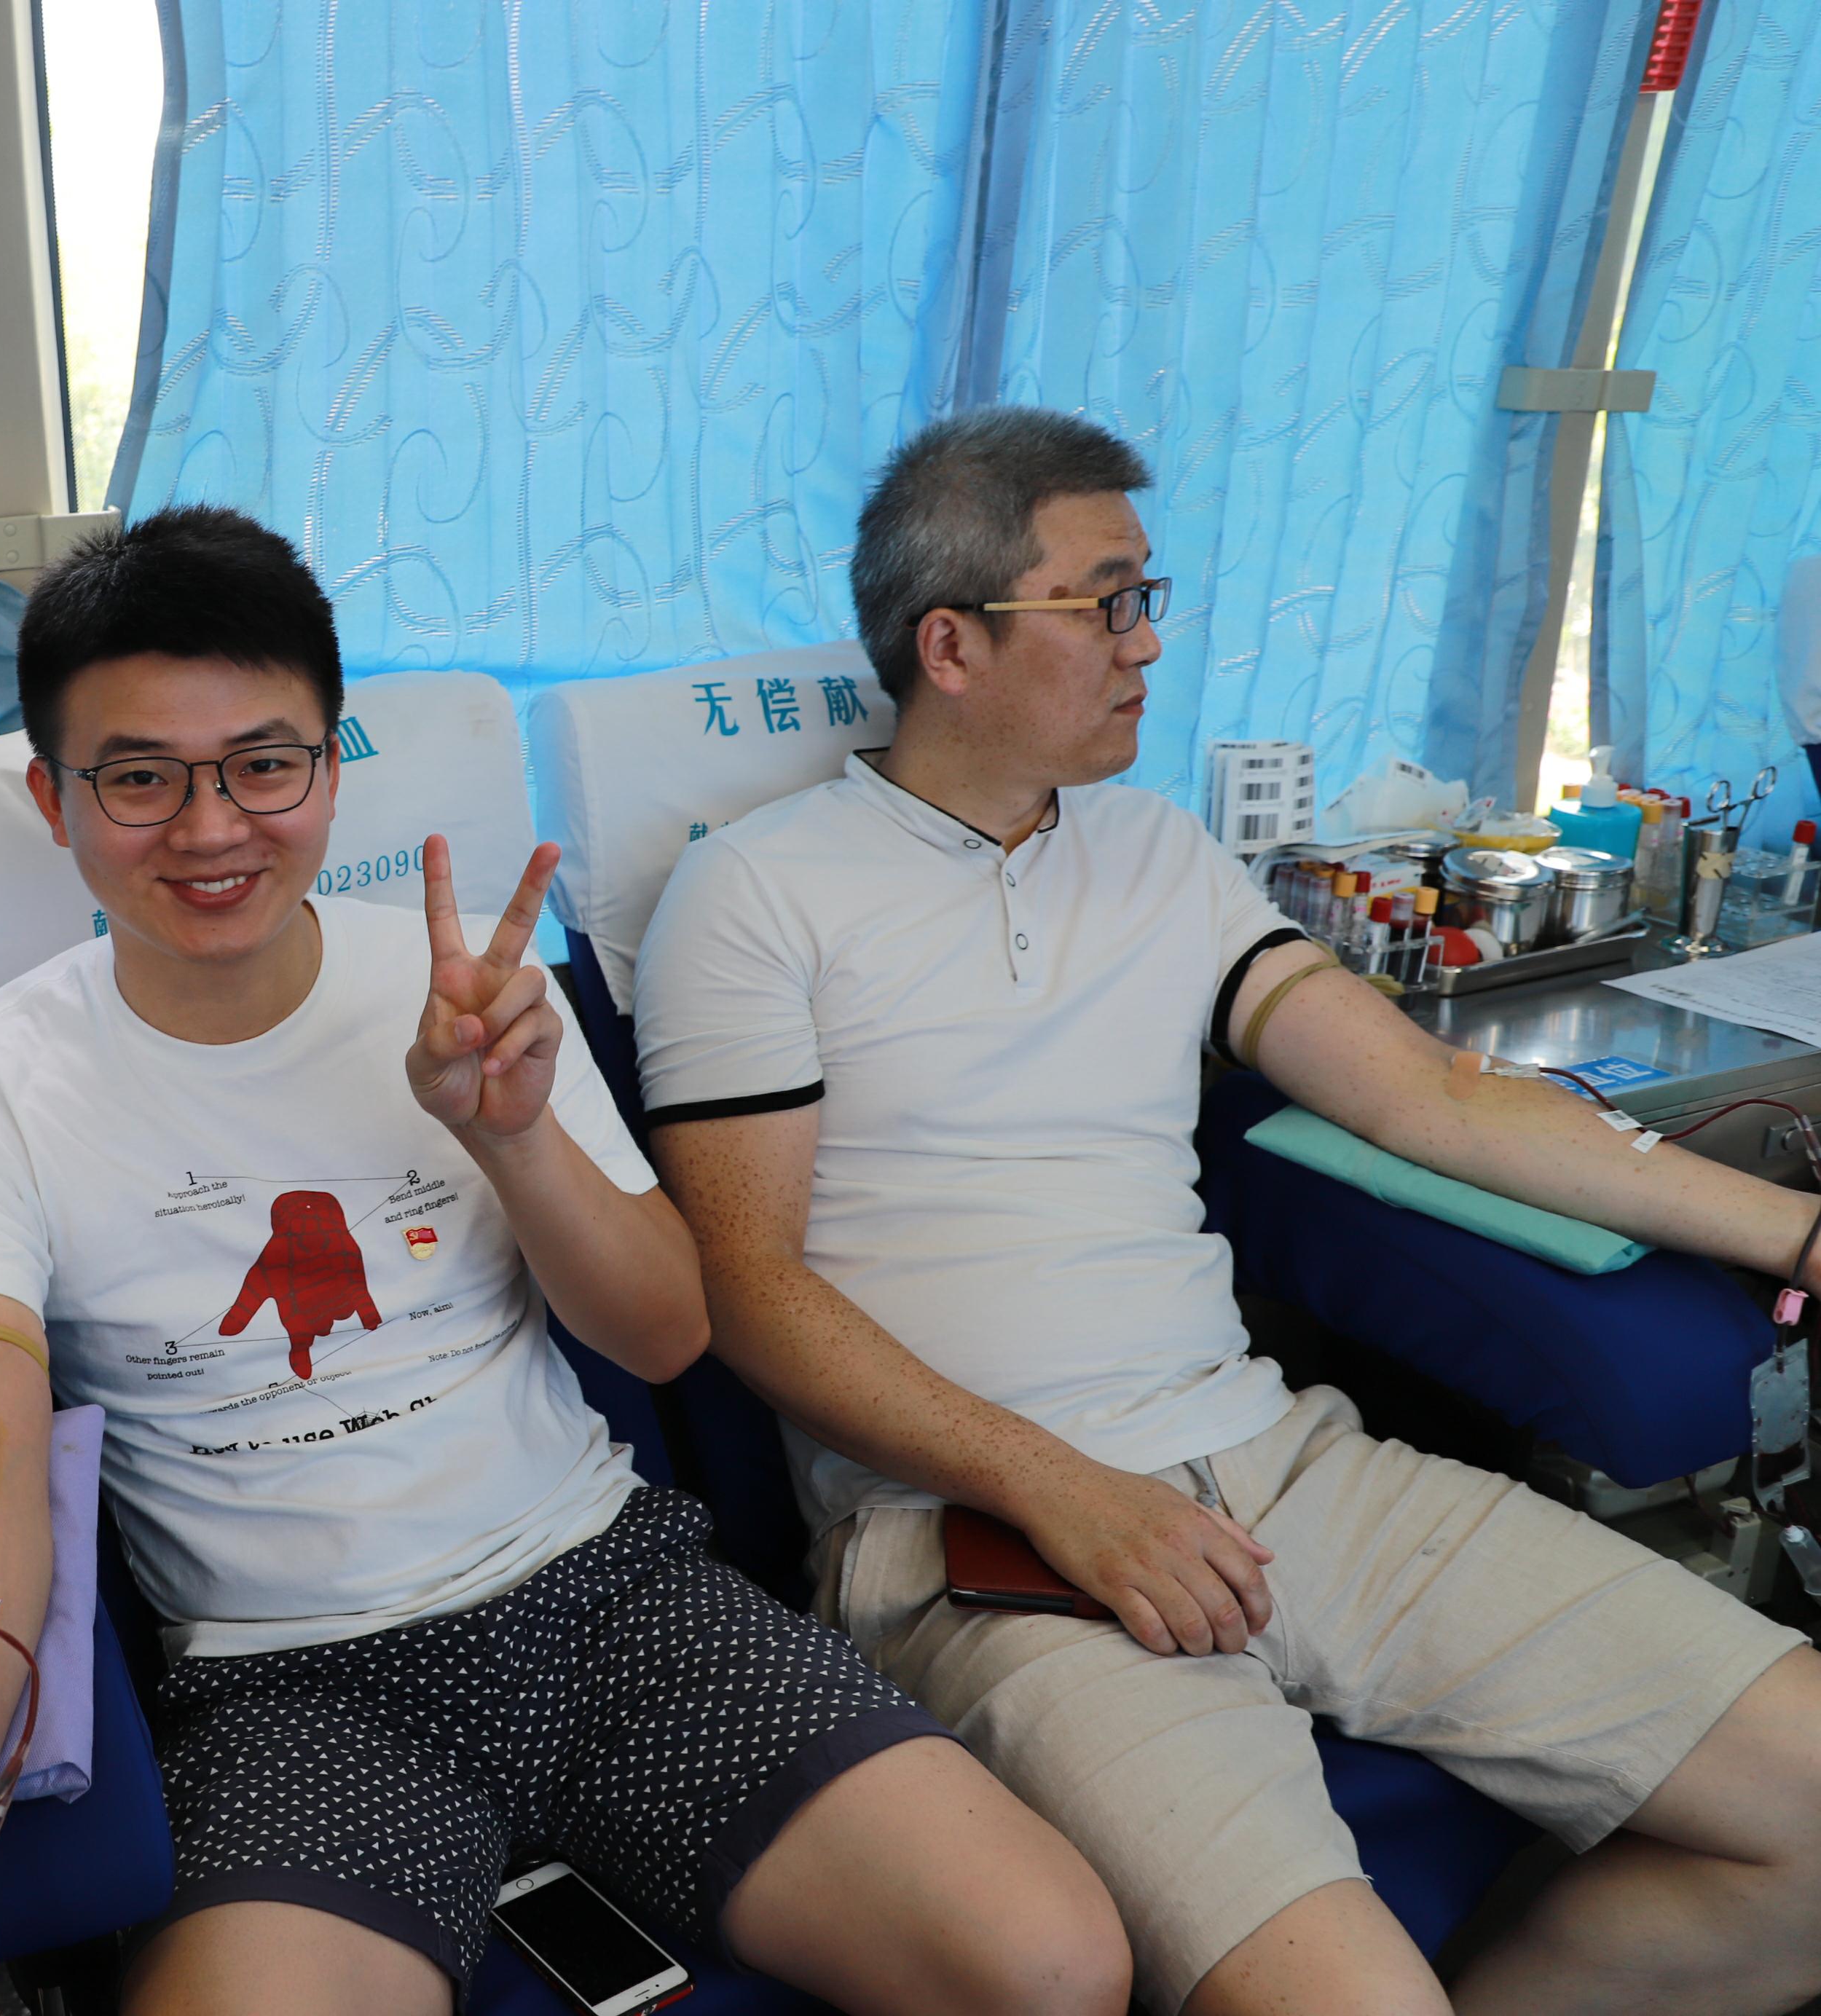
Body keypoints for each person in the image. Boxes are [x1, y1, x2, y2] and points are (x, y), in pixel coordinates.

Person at [0, 505, 1130, 2016]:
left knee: (1051, 1966)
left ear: (331, 768)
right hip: (288, 1688)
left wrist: (515, 1136)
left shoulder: (465, 988)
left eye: (263, 764)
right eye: (139, 778)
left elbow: (662, 1336)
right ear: (51, 798)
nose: (210, 828)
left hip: (612, 1603)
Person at [635, 403, 1821, 2016]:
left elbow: (1432, 1097)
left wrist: (1795, 1236)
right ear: (951, 644)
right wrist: (1065, 1489)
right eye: (1103, 603)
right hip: (982, 1534)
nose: (1146, 643)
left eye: (1149, 597)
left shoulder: (1159, 852)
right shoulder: (759, 891)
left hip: (1279, 1466)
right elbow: (746, 1287)